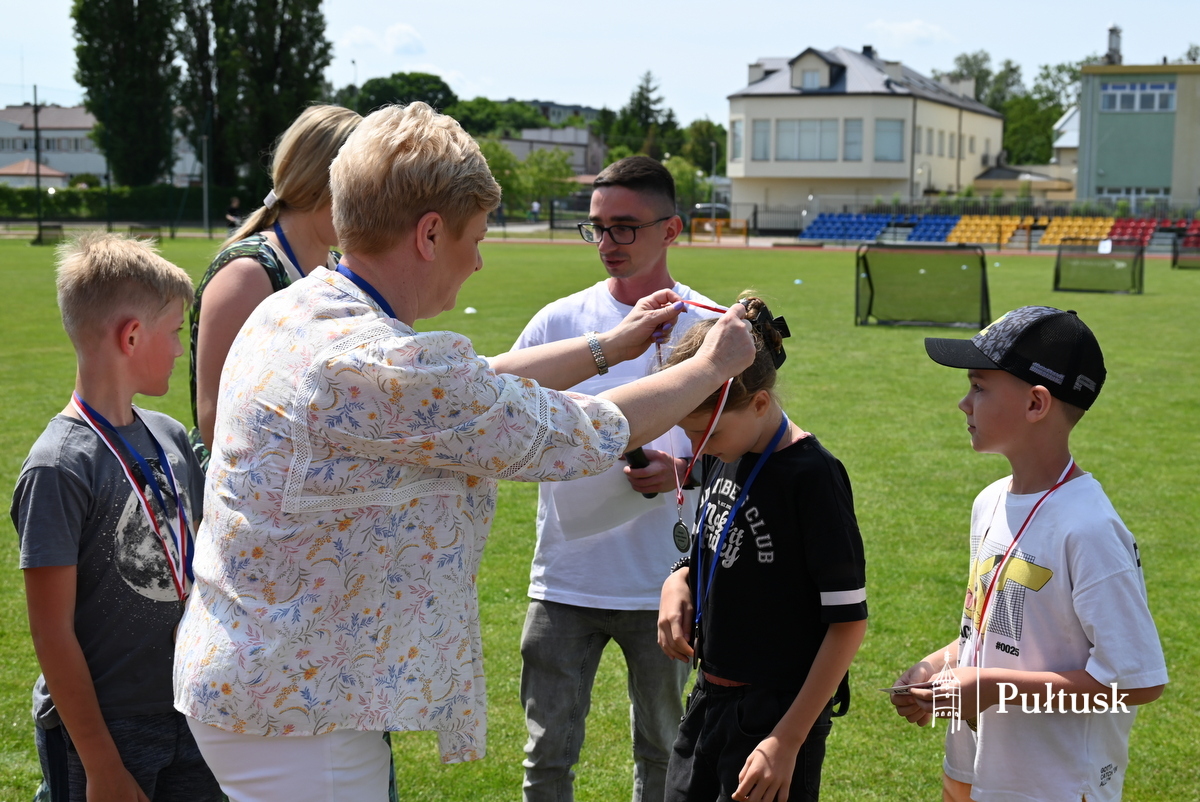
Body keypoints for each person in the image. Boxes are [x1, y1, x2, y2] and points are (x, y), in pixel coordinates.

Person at [172, 102, 757, 802]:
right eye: (474, 237)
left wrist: (611, 347)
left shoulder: (302, 309)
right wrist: (708, 368)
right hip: (301, 710)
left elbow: (467, 388)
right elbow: (576, 434)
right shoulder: (375, 362)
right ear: (428, 233)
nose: (479, 260)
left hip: (275, 687)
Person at [891, 306, 1168, 802]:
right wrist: (940, 666)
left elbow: (1137, 682)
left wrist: (994, 687)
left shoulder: (1090, 529)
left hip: (1052, 786)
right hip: (973, 773)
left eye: (979, 386)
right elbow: (997, 633)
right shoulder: (990, 502)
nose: (963, 402)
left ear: (1036, 404)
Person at [512, 155, 718, 802]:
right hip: (563, 579)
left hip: (663, 585)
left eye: (625, 228)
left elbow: (757, 449)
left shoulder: (710, 327)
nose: (606, 244)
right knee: (546, 756)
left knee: (661, 752)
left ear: (673, 229)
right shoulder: (557, 323)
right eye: (597, 227)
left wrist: (683, 468)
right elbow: (506, 419)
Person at [11, 233, 221, 802]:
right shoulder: (58, 467)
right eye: (176, 332)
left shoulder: (170, 436)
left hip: (188, 709)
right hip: (103, 732)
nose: (182, 350)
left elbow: (199, 562)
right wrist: (101, 763)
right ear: (131, 336)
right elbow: (51, 633)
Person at [657, 296, 868, 802]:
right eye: (690, 435)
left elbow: (848, 623)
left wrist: (787, 739)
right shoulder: (728, 447)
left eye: (709, 433)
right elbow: (720, 539)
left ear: (758, 403)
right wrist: (679, 577)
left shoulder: (813, 477)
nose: (698, 448)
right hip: (708, 698)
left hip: (774, 718)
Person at [189, 104, 361, 466]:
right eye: (367, 186)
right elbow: (214, 423)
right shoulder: (248, 274)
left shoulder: (335, 267)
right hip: (249, 504)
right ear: (326, 183)